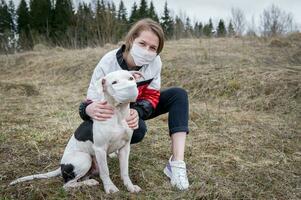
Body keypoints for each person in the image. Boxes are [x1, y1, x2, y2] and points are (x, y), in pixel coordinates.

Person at [77, 18, 189, 190]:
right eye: (142, 43)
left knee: (178, 95)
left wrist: (139, 112)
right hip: (113, 110)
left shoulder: (156, 62)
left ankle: (177, 164)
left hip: (138, 106)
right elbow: (91, 101)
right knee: (139, 131)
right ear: (131, 40)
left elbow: (153, 94)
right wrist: (87, 109)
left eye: (153, 48)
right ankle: (112, 144)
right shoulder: (107, 62)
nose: (147, 51)